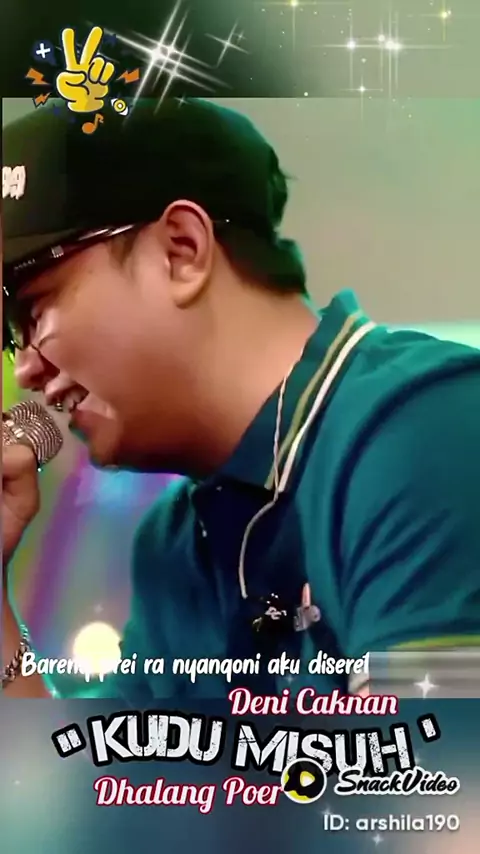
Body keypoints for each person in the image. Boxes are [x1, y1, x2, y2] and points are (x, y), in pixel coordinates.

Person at [2, 98, 480, 701]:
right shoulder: (177, 544)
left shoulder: (427, 430)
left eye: (34, 308)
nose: (25, 369)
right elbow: (83, 764)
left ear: (181, 251)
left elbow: (441, 753)